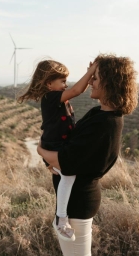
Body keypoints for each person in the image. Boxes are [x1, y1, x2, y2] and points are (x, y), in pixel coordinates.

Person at [37, 54, 139, 256]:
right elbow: (70, 150)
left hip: (77, 204)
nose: (91, 82)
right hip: (76, 201)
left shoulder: (105, 123)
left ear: (109, 83)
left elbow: (64, 160)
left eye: (96, 77)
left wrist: (40, 150)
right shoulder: (99, 115)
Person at [18, 59, 98, 241]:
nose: (66, 85)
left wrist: (89, 76)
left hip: (57, 144)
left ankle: (63, 215)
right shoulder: (50, 97)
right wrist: (91, 72)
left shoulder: (59, 97)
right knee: (68, 177)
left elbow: (78, 89)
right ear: (49, 83)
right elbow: (77, 90)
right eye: (62, 81)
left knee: (65, 177)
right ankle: (61, 219)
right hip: (54, 145)